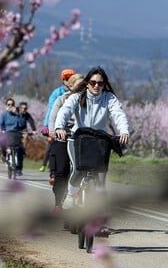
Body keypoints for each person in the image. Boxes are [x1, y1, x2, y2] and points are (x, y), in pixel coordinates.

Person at [54, 66, 130, 216]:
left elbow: (118, 114)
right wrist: (59, 127)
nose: (96, 86)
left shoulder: (109, 98)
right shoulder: (77, 96)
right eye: (93, 82)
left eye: (100, 83)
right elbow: (65, 111)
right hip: (78, 139)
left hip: (100, 141)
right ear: (87, 82)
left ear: (104, 84)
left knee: (101, 179)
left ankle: (100, 220)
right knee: (78, 169)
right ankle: (70, 195)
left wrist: (124, 131)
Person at [47, 73, 84, 214]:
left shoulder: (87, 101)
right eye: (78, 85)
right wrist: (53, 130)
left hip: (80, 139)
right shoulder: (61, 99)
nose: (82, 88)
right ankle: (58, 203)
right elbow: (53, 118)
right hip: (62, 137)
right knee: (61, 171)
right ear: (70, 85)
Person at [39, 68, 76, 172]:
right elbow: (51, 109)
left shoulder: (79, 92)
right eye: (66, 79)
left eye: (72, 79)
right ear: (63, 80)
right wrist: (46, 125)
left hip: (74, 126)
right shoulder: (57, 93)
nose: (69, 81)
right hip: (57, 125)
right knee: (54, 147)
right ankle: (53, 171)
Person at [0, 97, 27, 176]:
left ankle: (19, 169)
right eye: (8, 104)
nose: (10, 106)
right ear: (6, 105)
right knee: (2, 140)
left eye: (12, 104)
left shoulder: (17, 114)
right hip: (7, 132)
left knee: (20, 149)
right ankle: (3, 154)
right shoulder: (4, 114)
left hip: (16, 133)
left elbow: (22, 124)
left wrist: (18, 114)